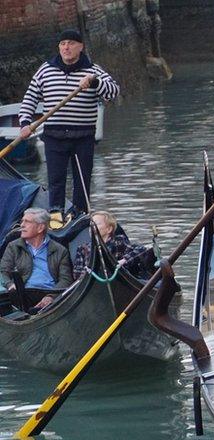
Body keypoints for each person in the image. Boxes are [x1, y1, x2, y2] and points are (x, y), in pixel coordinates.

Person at [18, 29, 120, 218]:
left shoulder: (93, 71)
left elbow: (113, 92)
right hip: (54, 135)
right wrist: (25, 122)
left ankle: (79, 215)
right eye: (63, 43)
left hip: (83, 136)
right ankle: (56, 215)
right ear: (59, 47)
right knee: (56, 179)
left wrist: (95, 82)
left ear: (80, 47)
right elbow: (30, 98)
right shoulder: (45, 70)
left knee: (82, 181)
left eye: (71, 43)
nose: (66, 47)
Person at [0, 208, 73, 311]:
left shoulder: (60, 250)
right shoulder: (13, 247)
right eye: (22, 221)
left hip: (48, 295)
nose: (22, 225)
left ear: (40, 228)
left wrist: (51, 297)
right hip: (22, 294)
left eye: (27, 222)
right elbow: (3, 271)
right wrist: (10, 285)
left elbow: (66, 280)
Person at [72, 211, 156, 280]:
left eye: (96, 224)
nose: (91, 227)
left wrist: (123, 261)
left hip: (120, 282)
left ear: (109, 229)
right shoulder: (83, 249)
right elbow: (77, 274)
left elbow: (142, 250)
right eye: (90, 225)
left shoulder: (119, 242)